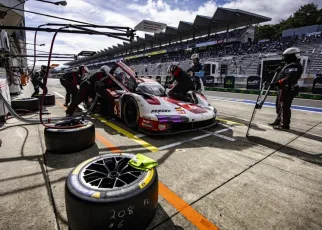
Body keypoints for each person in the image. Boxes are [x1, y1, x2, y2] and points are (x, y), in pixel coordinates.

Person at [268, 47, 303, 130]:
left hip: (288, 89)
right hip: (283, 89)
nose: (284, 58)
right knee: (279, 106)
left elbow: (290, 77)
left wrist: (278, 82)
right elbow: (285, 74)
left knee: (284, 107)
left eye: (286, 57)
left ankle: (284, 125)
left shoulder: (294, 66)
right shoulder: (288, 65)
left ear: (291, 56)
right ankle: (279, 120)